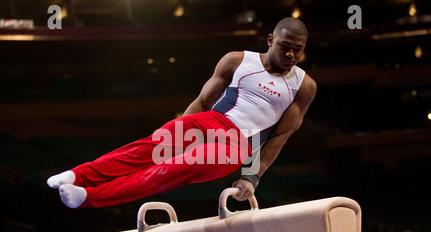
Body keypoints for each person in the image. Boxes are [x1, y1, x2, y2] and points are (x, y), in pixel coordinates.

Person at [47, 17, 317, 209]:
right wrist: (175, 134)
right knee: (147, 149)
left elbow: (279, 137)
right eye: (286, 46)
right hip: (209, 122)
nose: (291, 54)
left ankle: (88, 196)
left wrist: (252, 177)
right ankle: (78, 175)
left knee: (166, 170)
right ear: (271, 39)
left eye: (298, 49)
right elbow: (201, 103)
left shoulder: (303, 86)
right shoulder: (237, 60)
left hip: (238, 145)